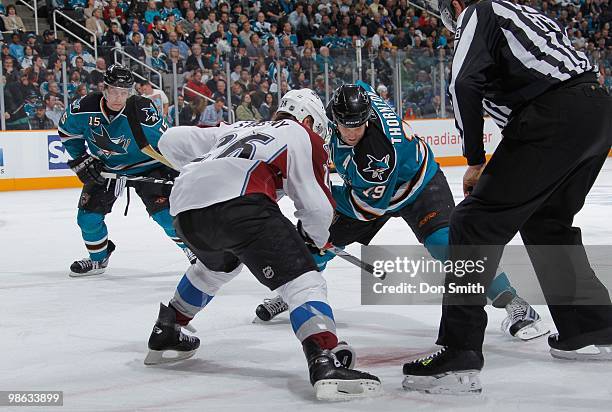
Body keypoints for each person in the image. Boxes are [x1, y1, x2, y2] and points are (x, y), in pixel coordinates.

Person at [402, 0, 612, 394]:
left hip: (555, 115)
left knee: (472, 223)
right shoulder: (526, 14)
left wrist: (475, 160)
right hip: (597, 112)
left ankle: (459, 351)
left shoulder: (480, 11)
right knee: (547, 223)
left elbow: (463, 83)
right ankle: (592, 327)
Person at [255, 82, 546, 342]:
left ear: (367, 118)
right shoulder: (355, 100)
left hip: (418, 187)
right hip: (370, 189)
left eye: (359, 126)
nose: (353, 132)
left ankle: (514, 302)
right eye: (347, 126)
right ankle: (295, 292)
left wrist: (321, 195)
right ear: (335, 115)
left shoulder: (376, 153)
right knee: (315, 235)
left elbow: (367, 207)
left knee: (448, 246)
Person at [144, 89, 382, 401]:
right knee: (305, 282)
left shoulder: (239, 128)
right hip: (241, 205)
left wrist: (209, 168)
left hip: (186, 210)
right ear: (308, 119)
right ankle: (324, 360)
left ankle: (168, 329)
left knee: (216, 267)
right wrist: (317, 237)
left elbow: (171, 141)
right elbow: (318, 207)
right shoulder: (303, 135)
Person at [58, 64, 195, 277]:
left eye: (123, 93)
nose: (118, 98)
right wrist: (81, 158)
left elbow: (166, 141)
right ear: (104, 89)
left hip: (148, 166)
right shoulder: (83, 108)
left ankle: (193, 251)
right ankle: (98, 259)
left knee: (167, 217)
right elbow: (67, 131)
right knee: (87, 219)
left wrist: (180, 167)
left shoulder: (142, 109)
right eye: (113, 91)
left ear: (130, 92)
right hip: (107, 168)